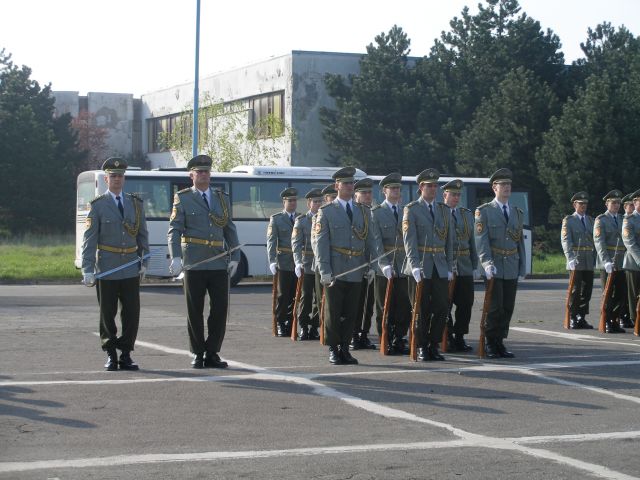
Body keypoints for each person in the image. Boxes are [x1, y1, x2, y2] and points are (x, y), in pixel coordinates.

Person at [167, 154, 240, 368]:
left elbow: (229, 228)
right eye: (199, 172)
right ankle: (198, 352)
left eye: (206, 171)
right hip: (194, 261)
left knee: (220, 309)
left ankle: (213, 352)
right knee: (195, 310)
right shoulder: (183, 198)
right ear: (191, 175)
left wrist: (235, 256)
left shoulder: (221, 198)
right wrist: (176, 257)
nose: (204, 175)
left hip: (218, 261)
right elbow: (174, 230)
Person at [313, 167, 390, 365]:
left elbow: (370, 241)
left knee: (351, 312)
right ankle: (333, 348)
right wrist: (325, 270)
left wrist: (372, 266)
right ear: (337, 186)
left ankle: (345, 348)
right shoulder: (326, 211)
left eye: (351, 183)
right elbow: (321, 244)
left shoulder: (363, 211)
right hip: (336, 270)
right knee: (333, 311)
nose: (349, 186)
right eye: (345, 183)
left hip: (356, 269)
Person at [82, 157, 149, 371]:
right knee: (107, 313)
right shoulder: (98, 205)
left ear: (124, 178)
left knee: (131, 313)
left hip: (130, 266)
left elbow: (142, 235)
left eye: (120, 176)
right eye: (113, 176)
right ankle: (111, 354)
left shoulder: (135, 204)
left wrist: (145, 260)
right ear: (106, 179)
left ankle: (126, 354)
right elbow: (89, 240)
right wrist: (87, 268)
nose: (117, 179)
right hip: (107, 268)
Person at [403, 168, 455, 361]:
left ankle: (434, 344)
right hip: (420, 267)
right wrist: (414, 265)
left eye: (435, 186)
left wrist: (449, 266)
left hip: (439, 266)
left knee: (442, 307)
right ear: (421, 187)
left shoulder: (444, 210)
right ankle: (421, 346)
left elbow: (449, 242)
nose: (433, 189)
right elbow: (409, 242)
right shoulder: (412, 209)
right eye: (429, 186)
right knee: (421, 309)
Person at [474, 168, 526, 359]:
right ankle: (490, 342)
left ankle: (500, 342)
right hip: (494, 265)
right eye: (503, 184)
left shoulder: (517, 212)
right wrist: (487, 263)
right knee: (494, 307)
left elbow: (519, 242)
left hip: (511, 264)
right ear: (494, 188)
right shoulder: (484, 211)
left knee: (507, 306)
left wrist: (522, 267)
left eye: (509, 184)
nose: (507, 187)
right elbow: (481, 241)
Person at [371, 172, 411, 354]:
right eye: (392, 188)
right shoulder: (376, 213)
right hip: (384, 267)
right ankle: (385, 338)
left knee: (404, 305)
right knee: (384, 306)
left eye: (398, 188)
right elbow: (376, 242)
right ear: (384, 191)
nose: (396, 191)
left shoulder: (406, 211)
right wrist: (383, 264)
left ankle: (399, 338)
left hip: (403, 265)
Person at [442, 179, 478, 352]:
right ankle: (447, 336)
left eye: (458, 195)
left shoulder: (466, 214)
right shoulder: (440, 213)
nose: (456, 198)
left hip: (464, 265)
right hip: (445, 265)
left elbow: (472, 242)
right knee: (444, 304)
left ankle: (460, 336)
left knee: (466, 303)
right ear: (445, 195)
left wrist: (475, 265)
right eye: (453, 194)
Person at [561, 192, 596, 329]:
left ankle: (582, 316)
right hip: (575, 259)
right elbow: (566, 240)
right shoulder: (569, 220)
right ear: (574, 205)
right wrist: (570, 257)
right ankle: (572, 316)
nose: (583, 206)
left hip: (588, 259)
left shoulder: (591, 220)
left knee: (587, 290)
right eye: (581, 204)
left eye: (585, 204)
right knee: (575, 290)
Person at [267, 187, 299, 336]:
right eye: (290, 201)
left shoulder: (301, 218)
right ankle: (280, 322)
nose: (293, 203)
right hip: (283, 262)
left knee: (295, 294)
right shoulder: (277, 219)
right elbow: (271, 241)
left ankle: (291, 323)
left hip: (298, 263)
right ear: (284, 202)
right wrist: (272, 261)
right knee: (283, 295)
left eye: (294, 200)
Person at [594, 190, 627, 333]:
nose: (616, 205)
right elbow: (599, 242)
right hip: (607, 262)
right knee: (607, 293)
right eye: (613, 203)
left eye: (618, 203)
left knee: (621, 293)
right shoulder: (601, 220)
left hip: (621, 261)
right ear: (607, 204)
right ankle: (606, 321)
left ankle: (614, 320)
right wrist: (606, 261)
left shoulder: (623, 219)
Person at [292, 188, 323, 340]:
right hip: (307, 263)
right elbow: (296, 243)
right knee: (306, 296)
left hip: (321, 264)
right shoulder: (302, 220)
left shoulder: (325, 218)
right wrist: (298, 262)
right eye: (315, 202)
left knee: (319, 298)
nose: (318, 204)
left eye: (320, 202)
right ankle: (303, 326)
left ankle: (314, 326)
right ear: (309, 203)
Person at [351, 177, 377, 350]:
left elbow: (373, 242)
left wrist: (373, 265)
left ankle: (364, 334)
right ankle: (353, 334)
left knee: (368, 302)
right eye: (364, 193)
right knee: (355, 303)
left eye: (369, 192)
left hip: (369, 264)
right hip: (354, 265)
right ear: (356, 195)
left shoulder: (371, 212)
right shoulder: (352, 212)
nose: (368, 195)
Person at [622, 189, 640, 331]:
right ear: (635, 202)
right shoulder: (629, 220)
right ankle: (636, 320)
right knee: (634, 294)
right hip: (634, 263)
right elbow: (629, 242)